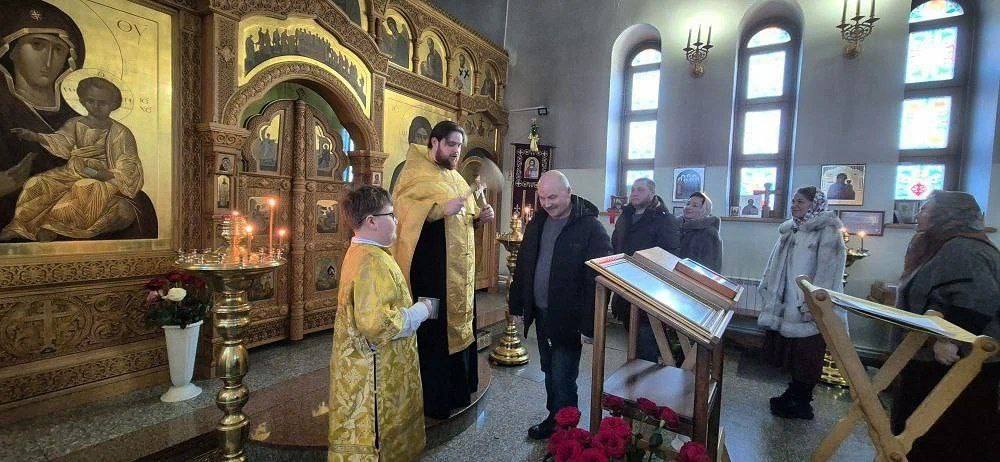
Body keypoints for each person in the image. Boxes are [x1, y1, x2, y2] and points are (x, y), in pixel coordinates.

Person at [392, 121, 495, 419]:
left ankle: (459, 389)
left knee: (461, 325)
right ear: (434, 142)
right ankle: (434, 399)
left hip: (459, 275)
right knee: (434, 331)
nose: (456, 151)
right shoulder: (414, 172)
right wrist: (435, 210)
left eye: (459, 146)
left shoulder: (455, 177)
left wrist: (479, 218)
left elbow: (465, 216)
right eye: (451, 144)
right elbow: (401, 211)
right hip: (431, 273)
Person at [328, 185, 437, 461]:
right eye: (391, 214)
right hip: (375, 371)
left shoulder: (364, 251)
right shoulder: (371, 261)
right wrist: (421, 311)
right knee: (379, 440)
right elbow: (377, 324)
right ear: (372, 221)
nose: (397, 220)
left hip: (366, 363)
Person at [890, 191, 1000, 461]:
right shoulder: (947, 245)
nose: (919, 214)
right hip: (939, 358)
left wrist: (949, 341)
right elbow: (941, 295)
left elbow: (976, 301)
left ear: (947, 215)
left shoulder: (964, 248)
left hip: (952, 363)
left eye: (926, 209)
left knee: (944, 438)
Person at [509, 170, 612, 440]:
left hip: (569, 319)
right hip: (542, 314)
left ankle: (567, 432)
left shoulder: (590, 228)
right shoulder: (538, 222)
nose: (547, 203)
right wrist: (517, 305)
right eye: (542, 197)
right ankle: (555, 419)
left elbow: (599, 282)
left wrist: (590, 325)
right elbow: (524, 265)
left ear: (569, 192)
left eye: (553, 197)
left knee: (563, 376)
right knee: (548, 370)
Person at [2, 77, 143, 241]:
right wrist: (35, 136)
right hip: (72, 171)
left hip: (102, 177)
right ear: (82, 101)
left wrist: (109, 174)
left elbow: (129, 161)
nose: (96, 106)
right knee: (38, 182)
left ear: (113, 105)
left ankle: (52, 227)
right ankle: (21, 226)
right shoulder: (75, 123)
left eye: (102, 103)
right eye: (91, 101)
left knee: (84, 188)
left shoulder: (121, 132)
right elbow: (61, 141)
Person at [758, 186, 846, 420]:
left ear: (814, 205)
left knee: (808, 354)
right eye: (794, 201)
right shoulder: (791, 229)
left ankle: (802, 401)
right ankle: (793, 393)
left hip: (808, 306)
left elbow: (828, 273)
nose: (795, 205)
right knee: (793, 352)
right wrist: (768, 287)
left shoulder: (827, 232)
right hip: (787, 302)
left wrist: (813, 304)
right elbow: (775, 264)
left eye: (801, 202)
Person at [610, 177, 680, 363]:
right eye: (633, 189)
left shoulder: (664, 220)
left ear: (652, 193)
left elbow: (669, 257)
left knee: (646, 347)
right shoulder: (625, 217)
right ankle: (635, 376)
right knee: (633, 345)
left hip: (649, 294)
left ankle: (646, 379)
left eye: (640, 190)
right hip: (625, 290)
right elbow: (615, 246)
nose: (634, 193)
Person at [679, 191, 722, 273]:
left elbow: (710, 266)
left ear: (704, 210)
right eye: (688, 204)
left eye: (695, 205)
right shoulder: (677, 226)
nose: (688, 207)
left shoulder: (709, 233)